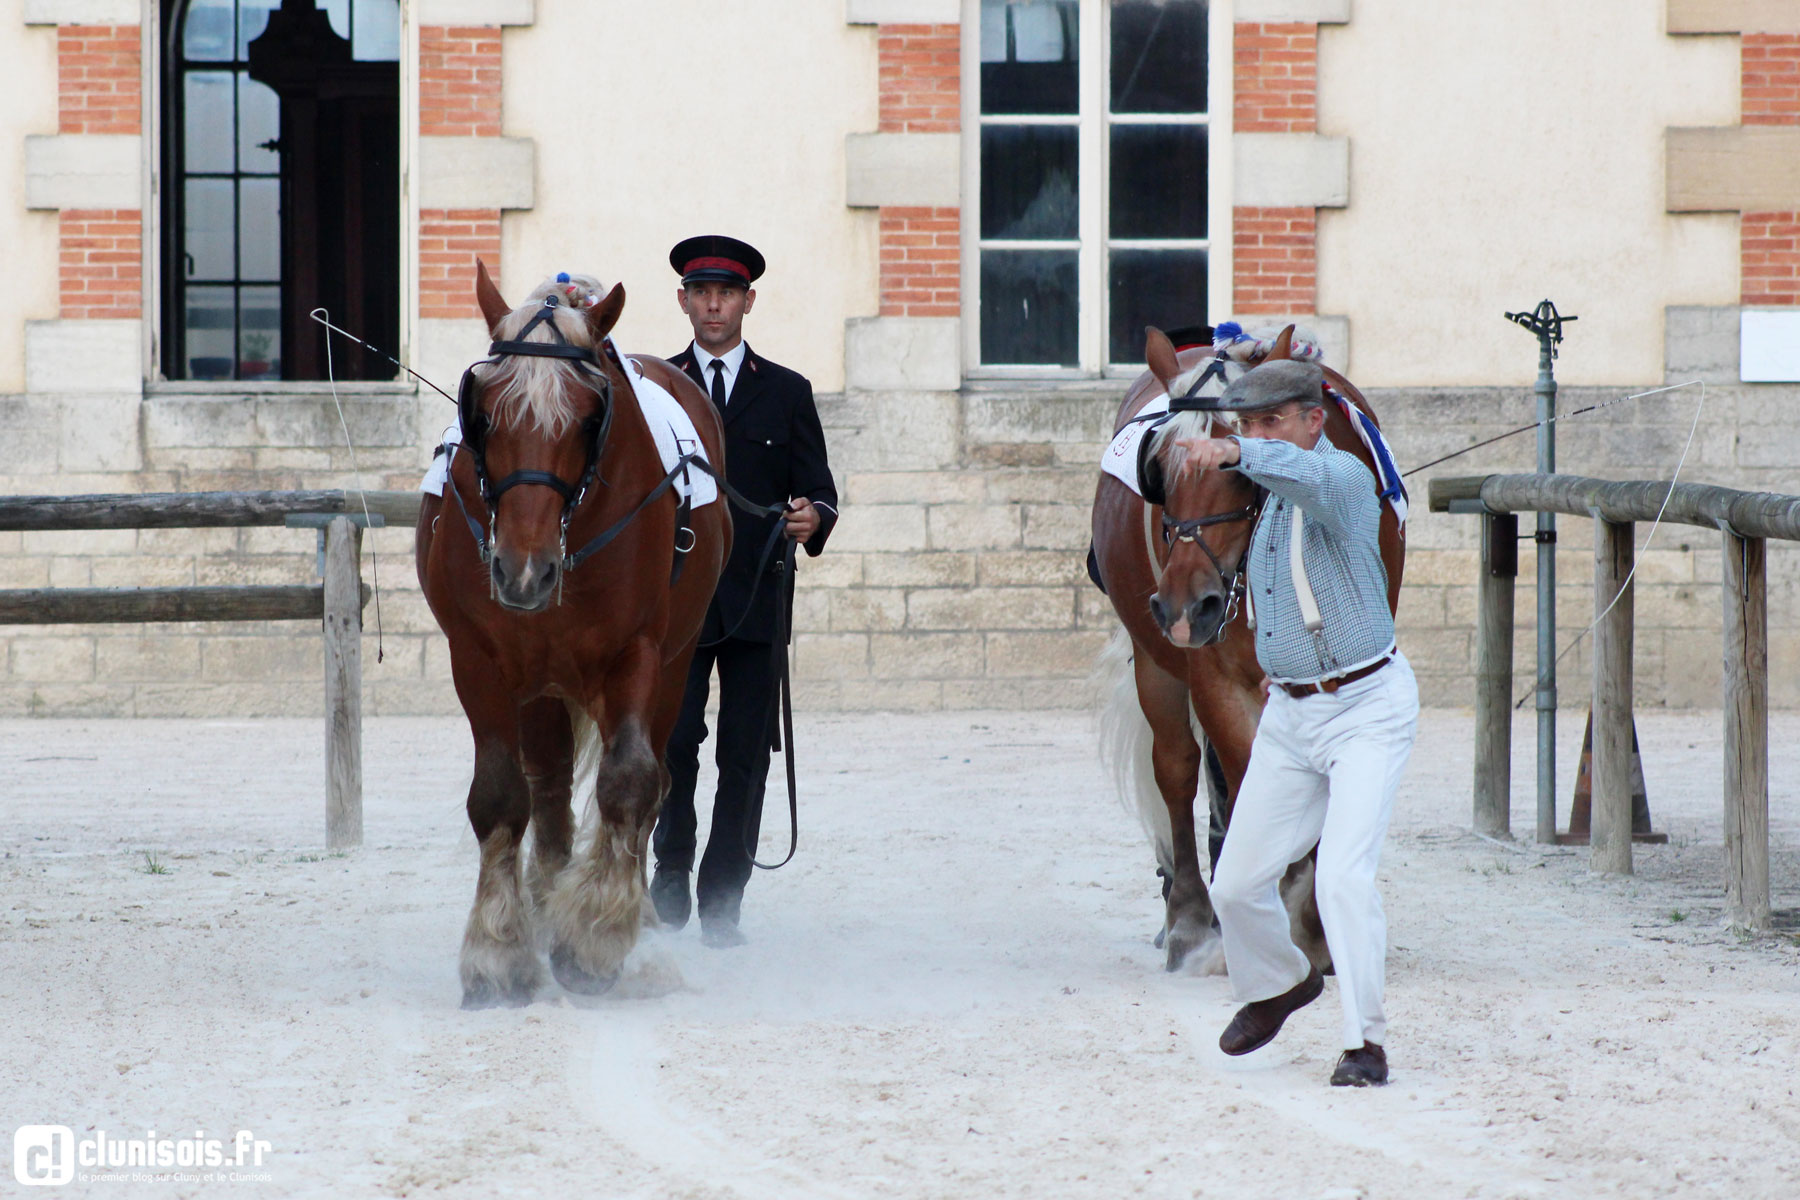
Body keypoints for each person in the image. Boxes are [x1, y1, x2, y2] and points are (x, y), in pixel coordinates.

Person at [1174, 358, 1418, 1087]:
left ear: (1315, 420)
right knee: (1235, 883)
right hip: (1290, 713)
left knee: (1342, 878)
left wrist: (1236, 449)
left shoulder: (1340, 478)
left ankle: (1364, 1044)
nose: (1256, 436)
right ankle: (1280, 984)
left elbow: (1306, 477)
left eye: (1271, 421)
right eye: (1246, 423)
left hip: (1365, 708)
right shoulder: (1267, 500)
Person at [651, 234, 839, 948]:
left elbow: (820, 491)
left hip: (759, 593)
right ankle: (668, 873)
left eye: (726, 293)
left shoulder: (785, 390)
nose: (713, 305)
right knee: (673, 743)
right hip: (675, 597)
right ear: (684, 302)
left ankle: (724, 896)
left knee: (745, 751)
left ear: (748, 302)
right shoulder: (658, 387)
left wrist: (812, 517)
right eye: (700, 293)